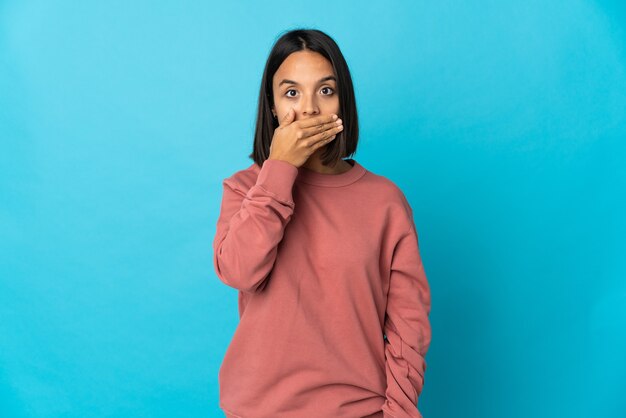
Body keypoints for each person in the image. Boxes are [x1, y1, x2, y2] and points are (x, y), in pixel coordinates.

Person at [213, 28, 432, 418]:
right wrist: (279, 169)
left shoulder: (384, 201)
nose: (310, 108)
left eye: (325, 91)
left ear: (342, 102)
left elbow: (408, 328)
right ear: (274, 105)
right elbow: (238, 271)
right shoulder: (245, 188)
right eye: (292, 92)